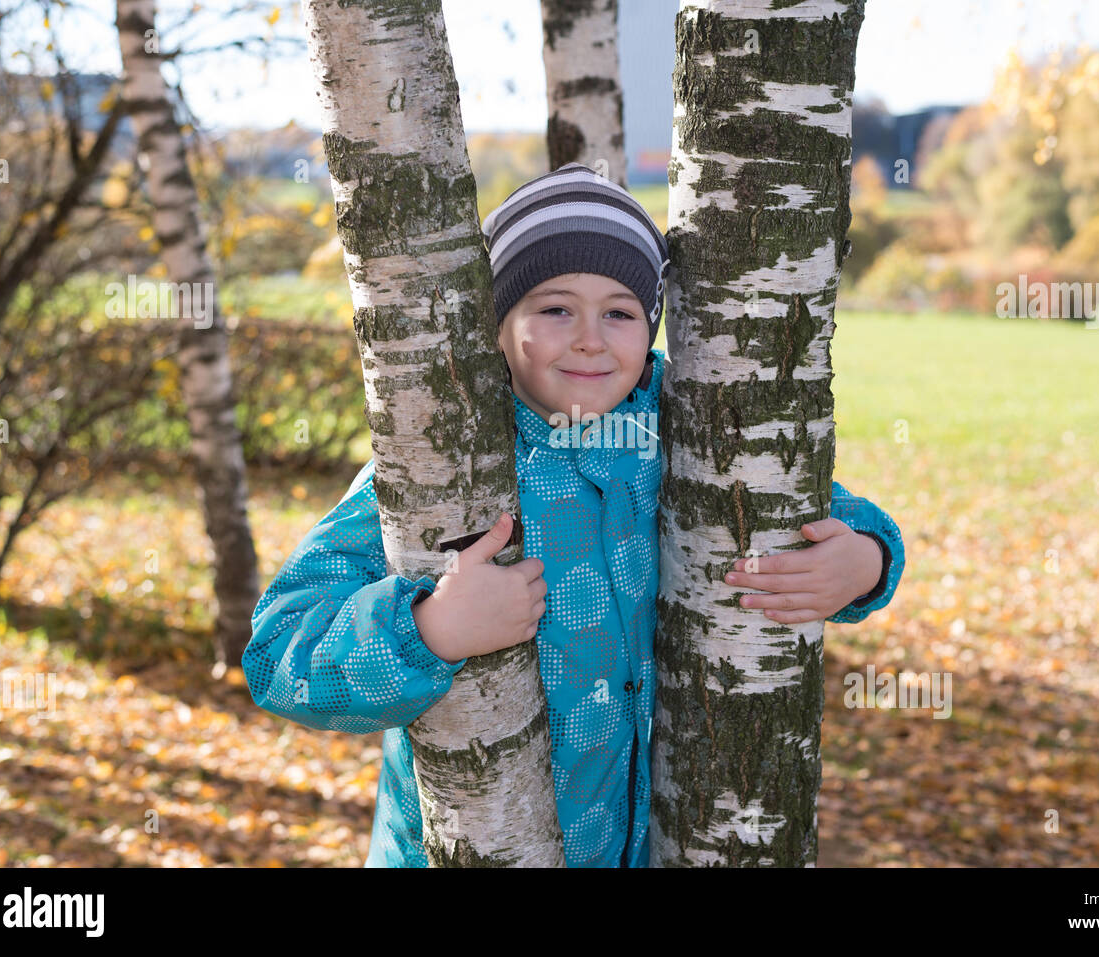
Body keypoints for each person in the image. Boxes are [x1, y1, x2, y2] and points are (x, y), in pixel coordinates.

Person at [243, 162, 906, 867]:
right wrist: (429, 629)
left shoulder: (678, 435)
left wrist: (864, 559)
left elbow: (808, 507)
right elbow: (279, 653)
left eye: (620, 312)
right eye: (556, 308)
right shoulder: (436, 467)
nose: (591, 338)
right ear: (497, 325)